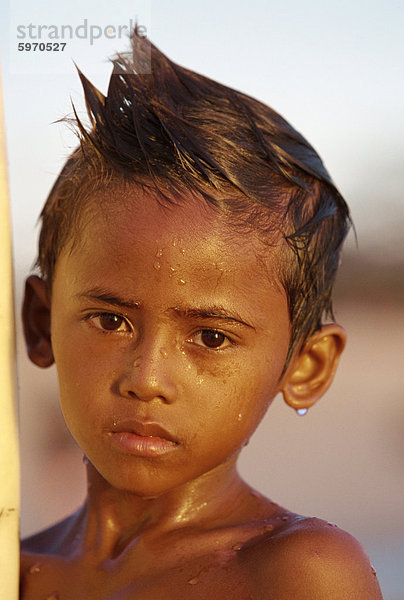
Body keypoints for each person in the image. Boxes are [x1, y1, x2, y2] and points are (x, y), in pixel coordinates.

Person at [19, 28, 383, 599]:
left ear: (306, 366)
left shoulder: (296, 572)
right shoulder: (15, 571)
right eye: (111, 321)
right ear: (41, 324)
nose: (146, 379)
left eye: (210, 337)